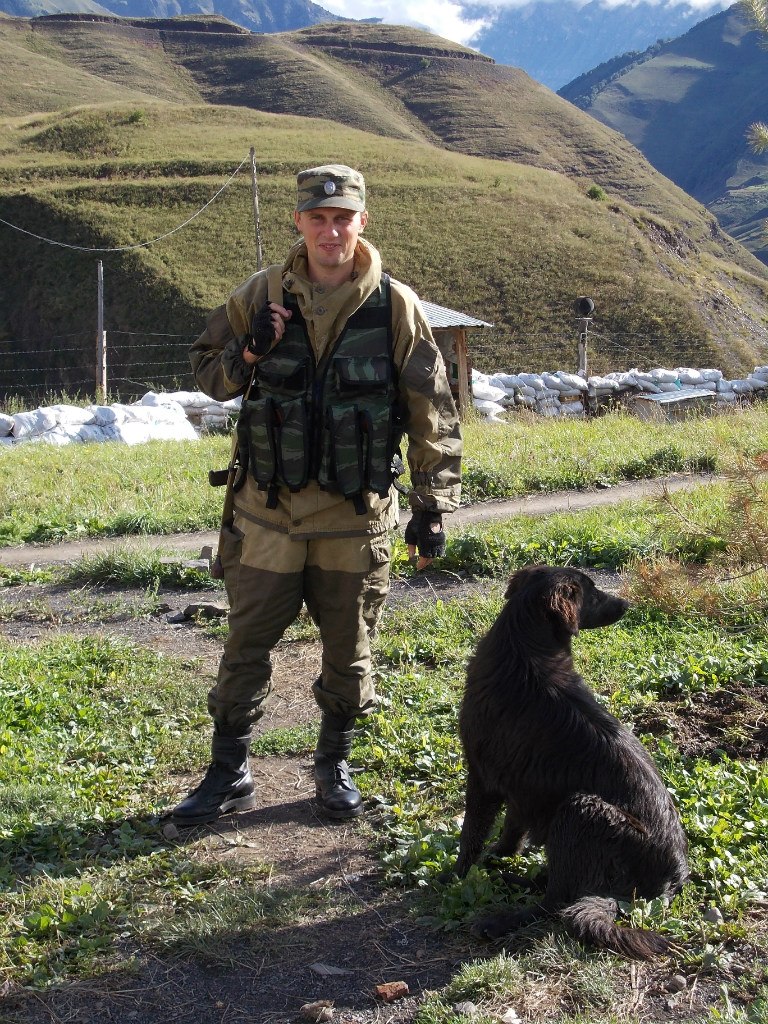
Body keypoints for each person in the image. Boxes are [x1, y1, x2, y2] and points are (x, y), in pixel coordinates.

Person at [170, 163, 462, 826]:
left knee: (350, 654)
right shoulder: (261, 293)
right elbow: (208, 376)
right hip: (266, 518)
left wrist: (432, 506)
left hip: (354, 521)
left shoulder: (396, 305)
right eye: (319, 218)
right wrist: (249, 353)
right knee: (245, 646)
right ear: (299, 222)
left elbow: (432, 408)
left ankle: (334, 765)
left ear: (362, 221)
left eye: (343, 218)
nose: (331, 232)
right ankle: (229, 771)